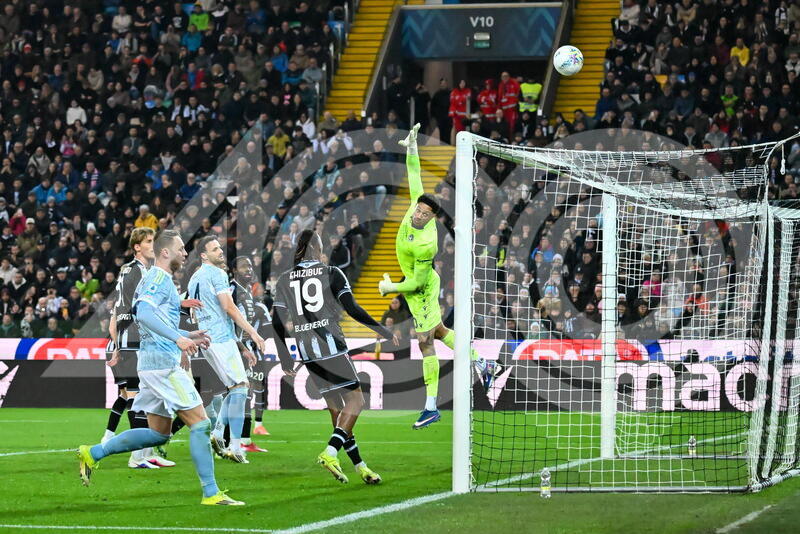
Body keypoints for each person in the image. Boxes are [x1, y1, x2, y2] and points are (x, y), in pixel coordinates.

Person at [77, 230, 242, 506]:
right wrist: (178, 338)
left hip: (152, 363)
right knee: (201, 424)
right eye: (181, 248)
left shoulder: (157, 278)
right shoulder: (158, 278)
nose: (185, 253)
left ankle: (92, 453)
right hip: (164, 365)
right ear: (165, 252)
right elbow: (143, 313)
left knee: (158, 433)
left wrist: (187, 335)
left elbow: (157, 320)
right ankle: (211, 492)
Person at [378, 124, 500, 430]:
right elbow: (414, 172)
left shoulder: (427, 243)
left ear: (432, 218)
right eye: (418, 210)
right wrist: (412, 147)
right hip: (416, 284)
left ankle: (430, 407)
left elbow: (418, 283)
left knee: (424, 342)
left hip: (420, 288)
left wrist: (390, 287)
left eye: (424, 214)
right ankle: (483, 362)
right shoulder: (415, 205)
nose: (418, 215)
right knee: (440, 331)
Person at [271, 229, 395, 485]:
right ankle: (330, 452)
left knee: (337, 410)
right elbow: (352, 308)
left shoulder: (284, 279)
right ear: (318, 249)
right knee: (356, 401)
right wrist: (381, 329)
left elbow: (277, 323)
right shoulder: (331, 273)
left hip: (307, 352)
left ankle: (361, 467)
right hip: (331, 346)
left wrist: (285, 358)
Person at [188, 236, 265, 464]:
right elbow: (228, 307)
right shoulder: (218, 274)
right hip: (220, 338)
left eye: (220, 248)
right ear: (204, 255)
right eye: (214, 249)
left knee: (236, 388)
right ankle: (234, 446)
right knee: (240, 388)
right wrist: (253, 333)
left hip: (208, 339)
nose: (220, 251)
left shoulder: (194, 278)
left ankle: (220, 433)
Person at [103, 227, 173, 469]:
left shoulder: (132, 270)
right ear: (137, 247)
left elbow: (117, 310)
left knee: (147, 397)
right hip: (134, 339)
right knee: (136, 397)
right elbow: (142, 308)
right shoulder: (138, 271)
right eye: (149, 241)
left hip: (133, 339)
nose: (154, 245)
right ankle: (137, 456)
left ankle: (147, 452)